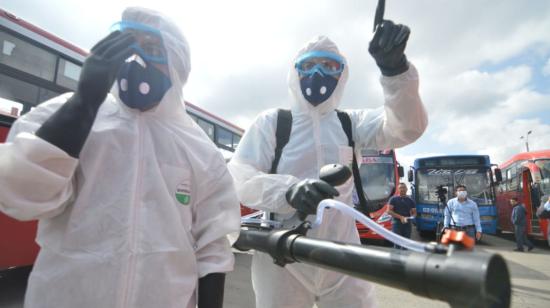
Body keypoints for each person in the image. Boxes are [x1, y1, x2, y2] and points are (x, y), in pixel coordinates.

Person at [0, 7, 240, 308]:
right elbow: (21, 195)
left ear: (177, 64)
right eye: (126, 44)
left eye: (151, 48)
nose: (135, 58)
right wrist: (84, 101)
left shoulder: (200, 150)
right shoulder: (67, 112)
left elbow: (214, 249)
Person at [228, 18, 427, 308]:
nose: (318, 73)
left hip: (342, 256)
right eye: (309, 66)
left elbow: (407, 127)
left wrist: (395, 72)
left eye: (329, 65)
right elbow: (237, 178)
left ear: (342, 74)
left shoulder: (350, 123)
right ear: (295, 73)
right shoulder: (273, 123)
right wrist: (287, 192)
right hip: (283, 258)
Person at [387, 183, 416, 249]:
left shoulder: (411, 201)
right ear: (398, 189)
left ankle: (404, 258)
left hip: (407, 223)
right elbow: (388, 211)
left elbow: (414, 213)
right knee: (397, 243)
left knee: (406, 244)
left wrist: (411, 217)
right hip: (396, 223)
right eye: (400, 188)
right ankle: (396, 259)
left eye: (404, 187)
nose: (402, 189)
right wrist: (400, 217)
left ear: (406, 189)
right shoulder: (393, 199)